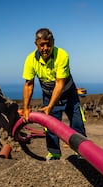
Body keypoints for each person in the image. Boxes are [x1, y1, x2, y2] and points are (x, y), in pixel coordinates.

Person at [21, 28, 86, 160]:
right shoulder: (30, 60)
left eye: (49, 44)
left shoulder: (62, 55)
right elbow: (28, 85)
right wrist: (26, 108)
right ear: (36, 44)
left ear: (53, 42)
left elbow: (59, 84)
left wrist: (50, 106)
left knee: (77, 123)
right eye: (42, 44)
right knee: (50, 127)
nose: (46, 48)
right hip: (48, 96)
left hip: (69, 96)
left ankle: (81, 152)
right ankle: (54, 153)